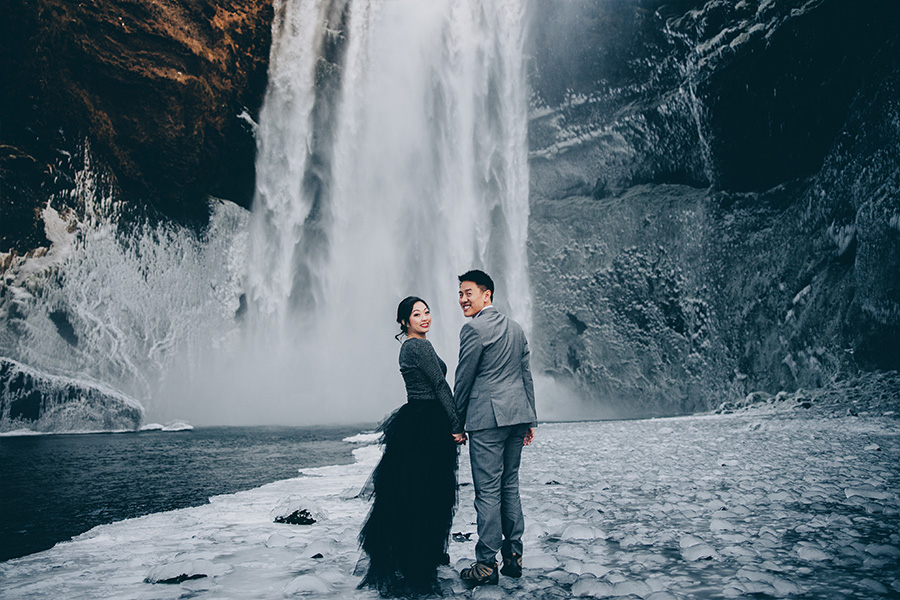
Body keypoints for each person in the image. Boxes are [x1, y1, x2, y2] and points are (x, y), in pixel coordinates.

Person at [357, 296, 467, 597]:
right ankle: (420, 561)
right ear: (404, 321)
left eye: (427, 312)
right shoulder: (418, 346)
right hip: (428, 422)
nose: (424, 317)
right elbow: (440, 386)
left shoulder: (408, 346)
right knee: (428, 494)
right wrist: (457, 425)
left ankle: (412, 558)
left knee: (413, 494)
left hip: (416, 419)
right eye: (416, 314)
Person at [453, 270, 536, 586]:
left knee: (487, 491)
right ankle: (513, 555)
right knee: (509, 486)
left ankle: (486, 564)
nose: (462, 299)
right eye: (460, 293)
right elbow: (525, 375)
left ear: (486, 294)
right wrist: (529, 418)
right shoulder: (515, 328)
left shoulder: (474, 329)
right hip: (516, 416)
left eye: (468, 292)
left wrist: (456, 423)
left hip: (487, 420)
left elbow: (464, 380)